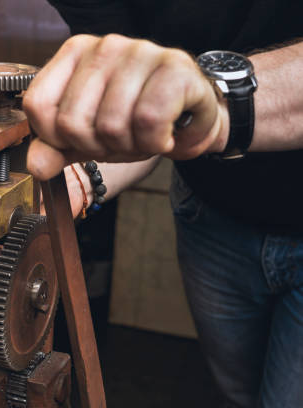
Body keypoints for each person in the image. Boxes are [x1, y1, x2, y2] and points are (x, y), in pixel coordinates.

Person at [23, 1, 303, 407]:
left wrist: (214, 100)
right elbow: (140, 113)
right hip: (210, 217)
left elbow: (184, 103)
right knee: (239, 391)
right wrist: (81, 180)